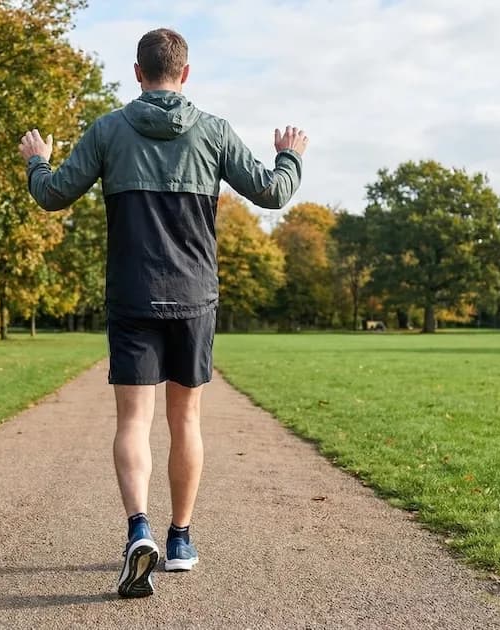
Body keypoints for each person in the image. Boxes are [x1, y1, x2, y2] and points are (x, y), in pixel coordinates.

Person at [18, 27, 308, 599]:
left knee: (132, 422)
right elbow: (274, 193)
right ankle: (179, 539)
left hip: (132, 294)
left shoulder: (108, 130)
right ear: (186, 73)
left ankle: (137, 530)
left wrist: (37, 162)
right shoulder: (214, 132)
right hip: (195, 297)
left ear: (137, 72)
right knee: (186, 421)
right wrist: (290, 156)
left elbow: (52, 195)